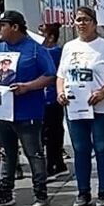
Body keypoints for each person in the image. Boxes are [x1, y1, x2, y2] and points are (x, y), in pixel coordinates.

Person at [0, 10, 57, 206]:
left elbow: (50, 75)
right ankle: (5, 191)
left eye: (2, 25)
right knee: (6, 153)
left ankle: (40, 193)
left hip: (27, 112)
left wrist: (28, 87)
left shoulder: (35, 50)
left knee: (34, 153)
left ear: (15, 27)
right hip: (0, 113)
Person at [57, 7, 104, 206]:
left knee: (102, 148)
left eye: (86, 20)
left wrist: (102, 93)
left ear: (94, 23)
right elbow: (61, 75)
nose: (81, 24)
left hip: (101, 108)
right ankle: (83, 192)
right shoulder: (69, 47)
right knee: (81, 149)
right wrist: (60, 93)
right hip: (76, 108)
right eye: (78, 20)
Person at [40, 23, 68, 176]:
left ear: (50, 37)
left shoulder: (54, 51)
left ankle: (53, 164)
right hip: (45, 98)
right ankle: (57, 162)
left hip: (51, 96)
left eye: (43, 34)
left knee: (51, 132)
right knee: (51, 131)